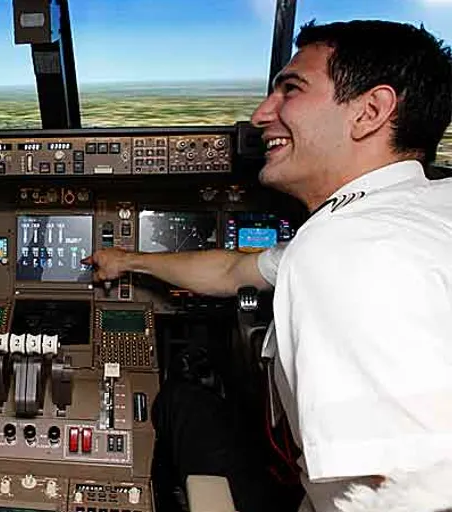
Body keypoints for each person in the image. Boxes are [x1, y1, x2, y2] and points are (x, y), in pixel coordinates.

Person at [85, 20, 452, 512]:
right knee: (187, 400)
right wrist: (127, 260)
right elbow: (232, 271)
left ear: (370, 111)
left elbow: (398, 498)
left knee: (177, 402)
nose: (260, 115)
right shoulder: (412, 208)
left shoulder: (347, 253)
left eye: (291, 90)